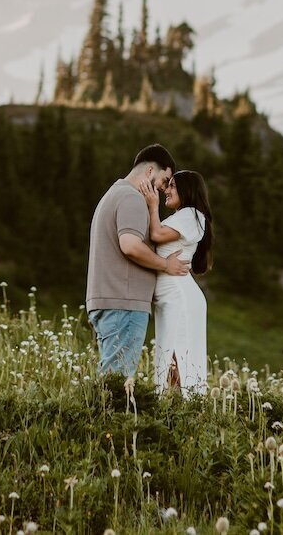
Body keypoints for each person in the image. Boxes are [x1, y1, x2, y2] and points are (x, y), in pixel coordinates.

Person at [86, 145, 191, 385]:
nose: (163, 189)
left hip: (111, 301)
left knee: (111, 378)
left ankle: (103, 418)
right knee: (117, 383)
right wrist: (165, 264)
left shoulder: (114, 193)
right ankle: (110, 422)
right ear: (150, 170)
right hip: (123, 303)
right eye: (164, 180)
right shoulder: (131, 198)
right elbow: (130, 245)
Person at [138, 169, 215, 396]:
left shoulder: (192, 214)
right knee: (169, 356)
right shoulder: (182, 216)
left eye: (172, 186)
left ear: (187, 189)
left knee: (178, 355)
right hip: (170, 297)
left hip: (178, 296)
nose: (166, 191)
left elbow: (158, 235)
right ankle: (175, 413)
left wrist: (152, 206)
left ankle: (184, 413)